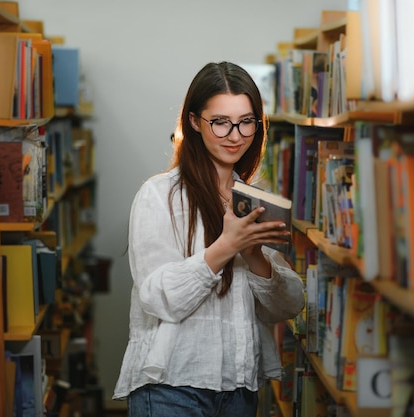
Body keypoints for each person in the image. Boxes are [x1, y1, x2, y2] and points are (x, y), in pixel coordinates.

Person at [113, 61, 305, 417]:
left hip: (240, 387)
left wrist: (256, 256)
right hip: (172, 385)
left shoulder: (254, 201)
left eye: (247, 121)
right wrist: (225, 247)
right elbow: (157, 297)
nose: (235, 135)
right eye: (220, 122)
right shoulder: (159, 195)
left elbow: (288, 306)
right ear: (194, 121)